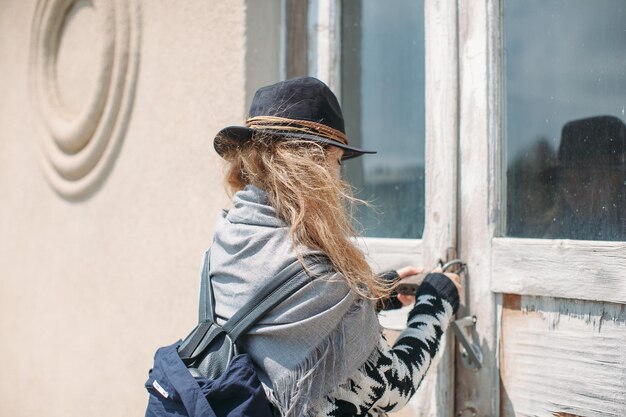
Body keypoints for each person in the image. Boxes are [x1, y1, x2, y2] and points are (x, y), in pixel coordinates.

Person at [209, 76, 461, 417]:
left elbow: (270, 318)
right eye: (337, 160)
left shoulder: (229, 236)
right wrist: (436, 302)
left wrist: (370, 296)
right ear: (310, 164)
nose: (340, 178)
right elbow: (389, 388)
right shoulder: (315, 272)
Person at [545, 115, 626, 241]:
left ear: (616, 179)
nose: (574, 191)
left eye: (585, 179)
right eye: (566, 180)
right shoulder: (557, 231)